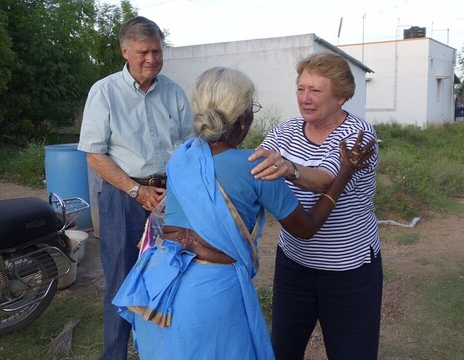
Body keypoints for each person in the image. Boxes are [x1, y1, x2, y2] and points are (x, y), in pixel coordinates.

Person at [112, 66, 375, 359]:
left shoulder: (182, 156)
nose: (306, 97)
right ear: (241, 120)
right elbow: (306, 228)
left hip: (160, 287)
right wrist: (344, 176)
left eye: (315, 90)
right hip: (210, 294)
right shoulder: (257, 169)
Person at [248, 52, 382, 359]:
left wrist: (289, 169)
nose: (305, 98)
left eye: (316, 90)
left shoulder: (358, 135)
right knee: (282, 349)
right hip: (294, 265)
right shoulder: (287, 130)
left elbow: (326, 180)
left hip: (348, 270)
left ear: (342, 97)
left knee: (351, 353)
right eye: (301, 89)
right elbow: (257, 159)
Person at [77, 16, 193, 360]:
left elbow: (189, 147)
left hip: (170, 197)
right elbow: (94, 155)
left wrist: (177, 189)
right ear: (124, 51)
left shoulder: (174, 92)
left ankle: (161, 352)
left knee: (171, 274)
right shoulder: (105, 91)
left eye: (157, 51)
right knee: (121, 279)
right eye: (143, 52)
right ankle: (115, 355)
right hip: (122, 197)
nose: (152, 59)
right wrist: (135, 191)